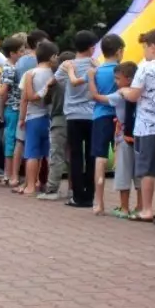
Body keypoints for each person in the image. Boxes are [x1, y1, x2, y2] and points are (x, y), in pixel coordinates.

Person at [121, 29, 155, 221]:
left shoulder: (145, 67)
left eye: (144, 46)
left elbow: (134, 95)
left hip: (147, 125)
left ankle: (147, 208)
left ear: (153, 47)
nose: (143, 51)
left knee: (147, 169)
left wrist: (124, 91)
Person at [89, 61, 137, 218]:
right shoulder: (138, 92)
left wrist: (90, 78)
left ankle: (124, 207)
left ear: (128, 79)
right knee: (139, 173)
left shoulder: (120, 95)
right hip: (138, 135)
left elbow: (96, 97)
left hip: (123, 136)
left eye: (117, 79)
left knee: (123, 170)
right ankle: (141, 205)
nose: (115, 82)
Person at [84, 34, 124, 214]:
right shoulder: (122, 71)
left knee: (99, 157)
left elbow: (87, 90)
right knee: (121, 154)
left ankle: (98, 201)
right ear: (119, 51)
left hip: (100, 116)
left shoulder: (97, 72)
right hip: (119, 117)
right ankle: (125, 203)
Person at [57, 31, 97, 208]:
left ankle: (77, 196)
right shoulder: (96, 65)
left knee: (75, 155)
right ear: (91, 48)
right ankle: (90, 195)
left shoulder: (67, 65)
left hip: (73, 115)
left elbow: (54, 80)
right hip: (92, 114)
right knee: (91, 155)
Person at [20, 41, 57, 196]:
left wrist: (22, 118)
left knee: (32, 153)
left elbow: (25, 99)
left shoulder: (30, 74)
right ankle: (45, 183)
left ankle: (30, 185)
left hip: (33, 117)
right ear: (51, 57)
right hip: (50, 118)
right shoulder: (56, 74)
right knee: (48, 153)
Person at [40, 51, 72, 200]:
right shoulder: (78, 80)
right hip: (75, 118)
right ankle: (74, 188)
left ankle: (52, 188)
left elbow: (45, 100)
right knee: (73, 155)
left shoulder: (56, 81)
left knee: (56, 154)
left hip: (59, 118)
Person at [0, 36, 23, 185]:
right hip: (13, 108)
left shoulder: (8, 68)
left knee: (11, 139)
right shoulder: (10, 68)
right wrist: (2, 109)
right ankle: (9, 173)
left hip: (12, 107)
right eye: (20, 51)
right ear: (12, 53)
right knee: (11, 140)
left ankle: (10, 173)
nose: (22, 54)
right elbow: (4, 91)